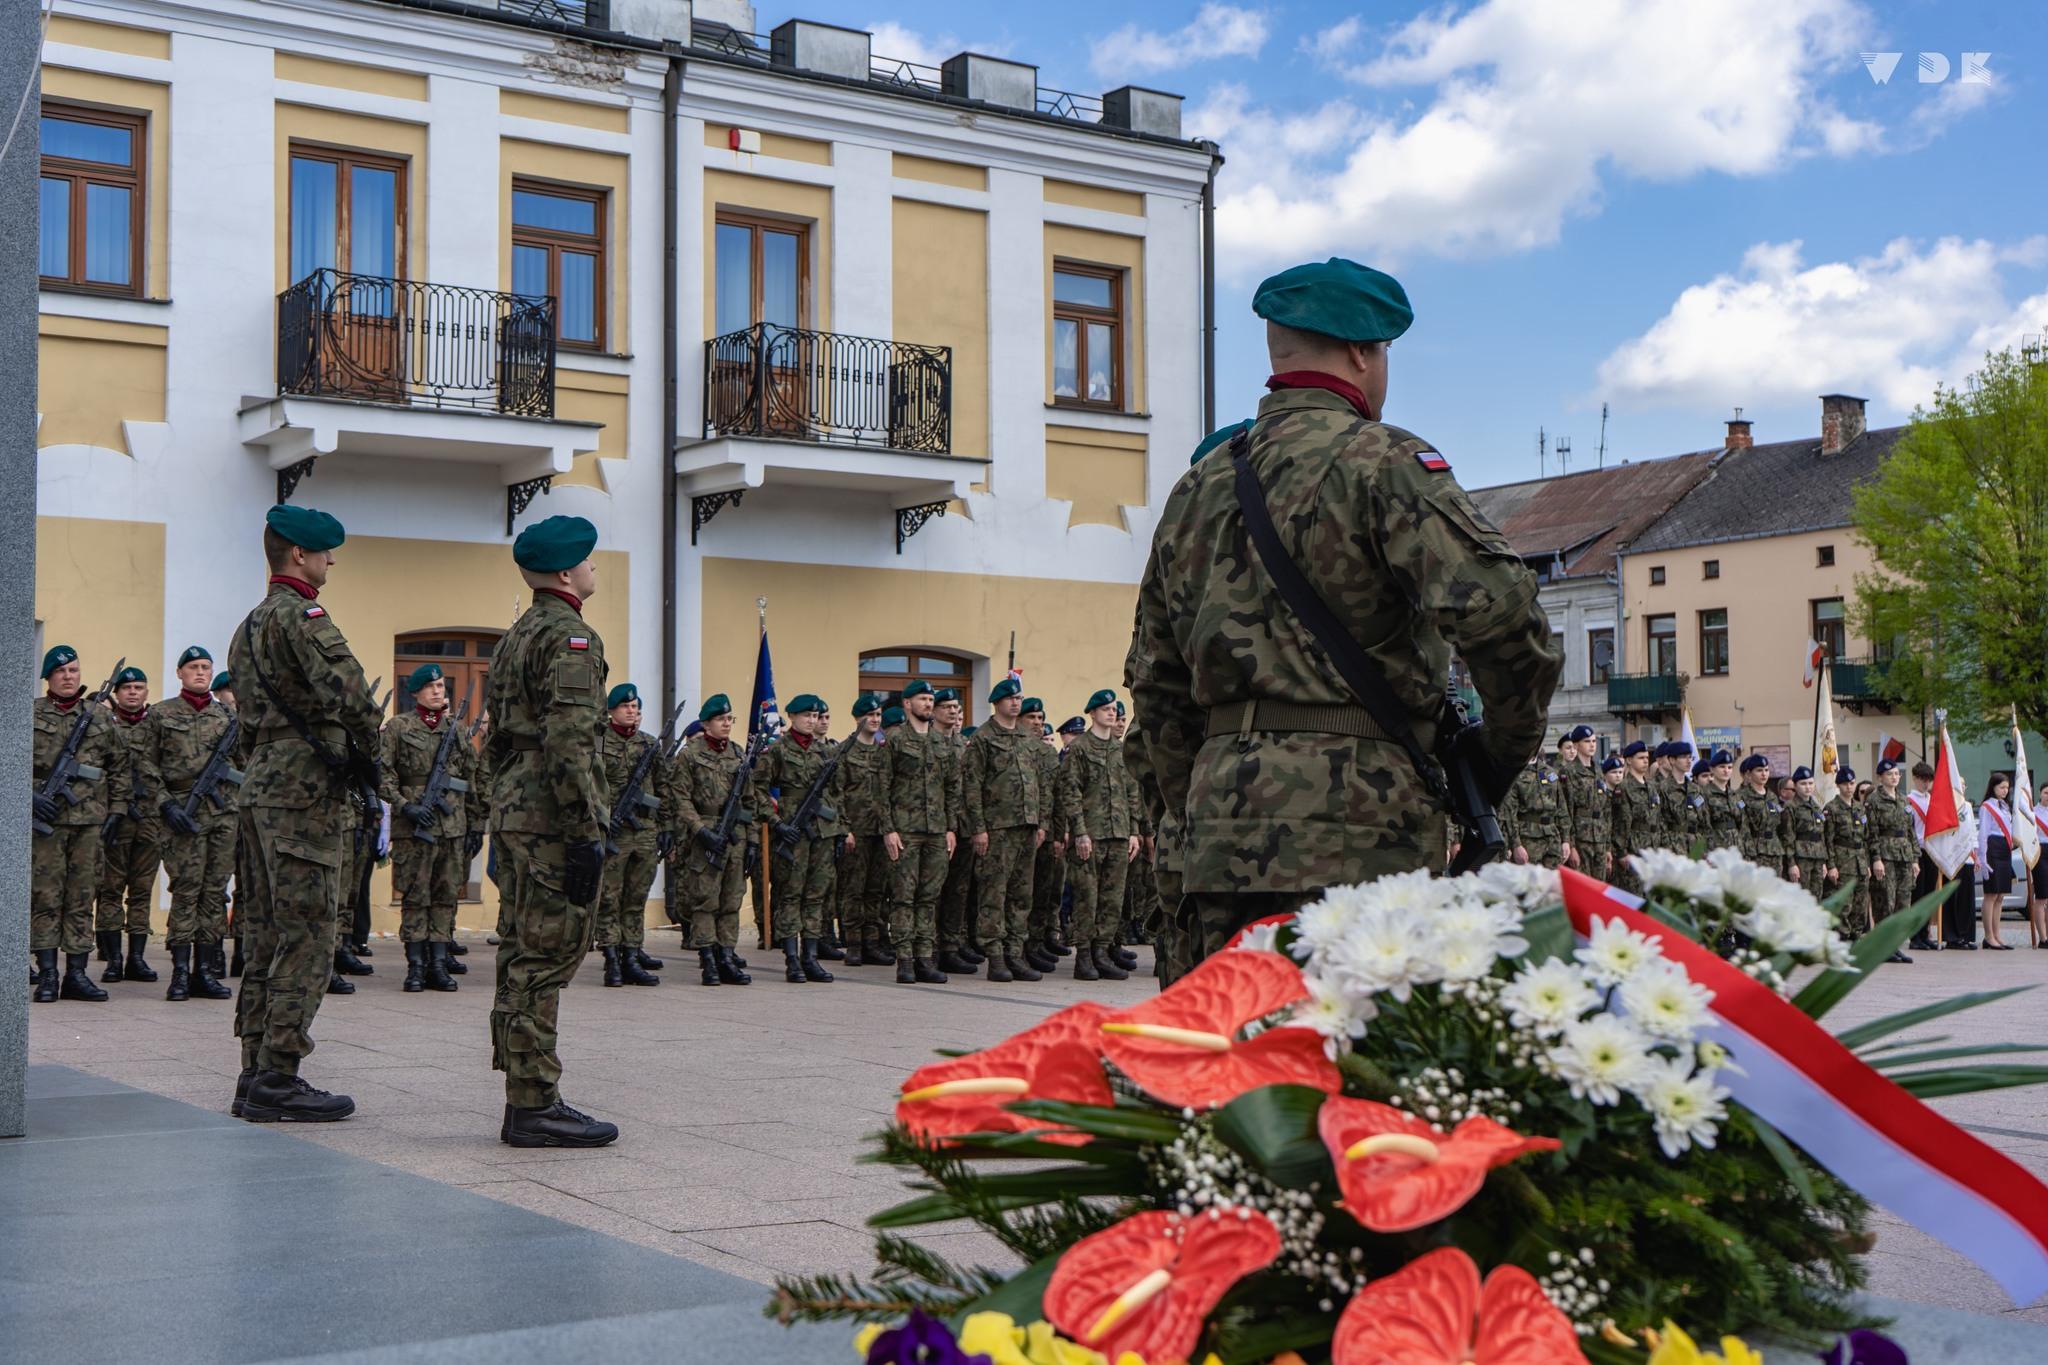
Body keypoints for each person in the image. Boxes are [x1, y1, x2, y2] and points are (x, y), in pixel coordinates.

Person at [1125, 258, 1559, 981]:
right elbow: (1505, 619)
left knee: (1237, 1036)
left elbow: (1157, 685)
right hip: (1364, 825)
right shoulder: (1384, 462)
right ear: (1363, 352)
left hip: (1220, 832)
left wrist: (1205, 804)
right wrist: (1494, 758)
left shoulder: (1197, 487)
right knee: (1352, 1040)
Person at [223, 506, 382, 1121]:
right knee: (310, 935)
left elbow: (245, 723)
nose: (330, 561)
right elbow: (354, 697)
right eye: (324, 552)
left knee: (265, 934)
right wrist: (368, 756)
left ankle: (254, 1070)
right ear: (298, 554)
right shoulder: (303, 616)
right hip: (304, 791)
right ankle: (279, 1075)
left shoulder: (248, 626)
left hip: (262, 783)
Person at [480, 513, 618, 1147]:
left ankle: (525, 1092)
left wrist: (497, 806)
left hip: (517, 806)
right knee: (544, 956)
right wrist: (586, 830)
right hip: (549, 815)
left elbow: (495, 737)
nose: (594, 567)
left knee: (520, 950)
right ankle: (534, 1103)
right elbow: (570, 742)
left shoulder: (516, 635)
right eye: (587, 559)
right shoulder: (571, 637)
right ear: (566, 572)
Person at [30, 645, 130, 1003]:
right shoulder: (30, 713)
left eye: (73, 670)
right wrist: (29, 796)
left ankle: (76, 974)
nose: (68, 676)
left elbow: (120, 765)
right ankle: (47, 975)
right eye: (61, 671)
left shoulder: (99, 716)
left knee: (82, 897)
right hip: (47, 822)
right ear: (48, 677)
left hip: (89, 822)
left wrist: (118, 809)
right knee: (45, 896)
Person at [144, 645, 239, 1003]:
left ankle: (205, 971)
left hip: (222, 813)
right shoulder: (161, 714)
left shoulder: (227, 717)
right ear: (180, 673)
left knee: (214, 892)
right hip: (182, 812)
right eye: (194, 667)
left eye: (206, 667)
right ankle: (181, 972)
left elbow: (245, 763)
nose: (200, 672)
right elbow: (145, 766)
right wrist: (166, 805)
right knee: (186, 891)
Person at [959, 677, 1048, 982]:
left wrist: (1041, 822)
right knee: (993, 893)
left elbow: (1037, 782)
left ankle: (1015, 953)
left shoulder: (1026, 737)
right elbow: (971, 786)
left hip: (1026, 825)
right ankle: (995, 956)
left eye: (1019, 698)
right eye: (1010, 699)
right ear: (997, 702)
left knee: (1021, 894)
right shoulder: (984, 738)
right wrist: (978, 828)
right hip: (997, 827)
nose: (1015, 703)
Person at [878, 679, 961, 984]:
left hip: (936, 831)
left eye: (930, 699)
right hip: (905, 831)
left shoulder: (942, 742)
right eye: (922, 699)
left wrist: (951, 828)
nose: (928, 703)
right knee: (903, 897)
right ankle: (904, 960)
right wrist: (888, 829)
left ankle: (925, 958)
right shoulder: (895, 740)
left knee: (929, 896)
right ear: (907, 704)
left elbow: (952, 788)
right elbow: (881, 788)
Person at [751, 692, 837, 983]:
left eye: (815, 716)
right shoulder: (777, 750)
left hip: (821, 830)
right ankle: (791, 958)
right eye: (806, 716)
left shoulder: (824, 752)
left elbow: (836, 793)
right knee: (790, 894)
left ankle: (810, 957)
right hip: (792, 829)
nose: (811, 721)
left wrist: (838, 829)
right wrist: (776, 822)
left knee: (816, 895)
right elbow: (757, 789)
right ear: (791, 717)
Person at [672, 694, 756, 987]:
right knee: (705, 901)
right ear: (706, 724)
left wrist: (752, 841)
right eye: (721, 719)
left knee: (731, 900)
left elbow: (750, 802)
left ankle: (726, 956)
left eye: (729, 718)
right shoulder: (689, 755)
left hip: (734, 837)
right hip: (705, 835)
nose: (727, 723)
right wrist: (700, 830)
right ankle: (708, 959)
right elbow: (680, 799)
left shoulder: (738, 754)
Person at [591, 682, 667, 988]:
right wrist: (601, 821)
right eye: (626, 706)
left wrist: (667, 828)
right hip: (613, 832)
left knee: (636, 898)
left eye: (635, 707)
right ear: (611, 711)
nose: (632, 711)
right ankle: (611, 959)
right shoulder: (598, 743)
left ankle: (632, 957)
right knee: (609, 898)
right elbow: (590, 788)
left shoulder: (649, 744)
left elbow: (663, 788)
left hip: (645, 832)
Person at [1062, 689, 1142, 981]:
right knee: (1087, 897)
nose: (1111, 713)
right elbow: (1071, 791)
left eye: (1114, 709)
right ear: (1092, 713)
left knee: (1112, 898)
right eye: (1106, 709)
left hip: (1118, 833)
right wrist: (1080, 832)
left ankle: (1102, 952)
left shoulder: (1120, 750)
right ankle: (1084, 956)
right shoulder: (1080, 748)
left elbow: (1131, 792)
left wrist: (1133, 831)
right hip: (1092, 835)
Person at [96, 664, 161, 985]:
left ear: (146, 692)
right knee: (110, 889)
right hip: (115, 820)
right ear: (117, 693)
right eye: (126, 688)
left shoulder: (158, 726)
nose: (133, 692)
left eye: (138, 687)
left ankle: (136, 958)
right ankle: (113, 959)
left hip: (150, 818)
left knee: (141, 890)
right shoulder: (104, 726)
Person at [834, 695, 891, 966]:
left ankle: (872, 942)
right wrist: (844, 828)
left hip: (881, 830)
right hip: (856, 830)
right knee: (853, 889)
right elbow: (836, 794)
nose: (875, 720)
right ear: (857, 718)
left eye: (878, 715)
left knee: (876, 890)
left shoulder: (884, 752)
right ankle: (854, 943)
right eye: (870, 715)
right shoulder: (844, 751)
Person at [930, 688, 979, 972]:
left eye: (956, 707)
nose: (952, 711)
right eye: (946, 706)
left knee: (959, 889)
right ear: (934, 711)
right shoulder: (926, 742)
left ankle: (951, 945)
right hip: (935, 826)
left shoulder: (964, 745)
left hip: (963, 826)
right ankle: (930, 946)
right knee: (933, 888)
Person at [1020, 697, 1070, 967]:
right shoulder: (1017, 749)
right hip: (1022, 830)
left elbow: (1058, 796)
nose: (1037, 723)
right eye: (1032, 718)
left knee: (1044, 891)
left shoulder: (1048, 754)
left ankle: (1036, 943)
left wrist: (1059, 834)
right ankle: (1017, 946)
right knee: (1021, 893)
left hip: (1047, 832)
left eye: (1040, 718)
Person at [1823, 768, 1873, 938]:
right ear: (1838, 785)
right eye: (1845, 784)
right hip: (1842, 862)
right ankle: (1843, 938)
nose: (1849, 787)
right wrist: (1831, 865)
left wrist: (1867, 864)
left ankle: (1856, 936)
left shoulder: (1860, 808)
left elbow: (1866, 838)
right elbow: (1827, 840)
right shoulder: (1831, 808)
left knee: (1860, 903)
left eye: (1852, 783)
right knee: (1844, 904)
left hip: (1860, 862)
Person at [1977, 772, 2017, 950]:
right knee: (1991, 894)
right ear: (1993, 787)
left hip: (2005, 849)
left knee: (2000, 895)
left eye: (2007, 788)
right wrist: (1982, 857)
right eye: (2002, 787)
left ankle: (1997, 934)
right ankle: (1988, 936)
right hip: (1992, 848)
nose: (2005, 791)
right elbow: (1983, 833)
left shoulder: (2005, 807)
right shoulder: (1987, 806)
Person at [1735, 755, 1786, 877]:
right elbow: (1742, 827)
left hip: (1774, 851)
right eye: (1759, 770)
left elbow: (1779, 825)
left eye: (1766, 770)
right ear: (1749, 774)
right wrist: (1745, 855)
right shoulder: (1740, 796)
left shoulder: (1772, 797)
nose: (1764, 774)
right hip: (1754, 852)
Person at [1785, 767, 1826, 891]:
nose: (1808, 787)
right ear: (1795, 786)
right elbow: (1788, 836)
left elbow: (1821, 835)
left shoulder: (1816, 807)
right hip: (1801, 859)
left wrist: (1824, 861)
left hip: (1818, 857)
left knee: (1817, 896)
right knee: (1802, 895)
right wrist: (1791, 864)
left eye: (1810, 783)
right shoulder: (1790, 807)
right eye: (1803, 784)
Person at [2029, 781, 2048, 950]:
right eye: (2046, 793)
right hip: (2040, 853)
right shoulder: (2033, 812)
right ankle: (2043, 938)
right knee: (2041, 896)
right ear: (2040, 794)